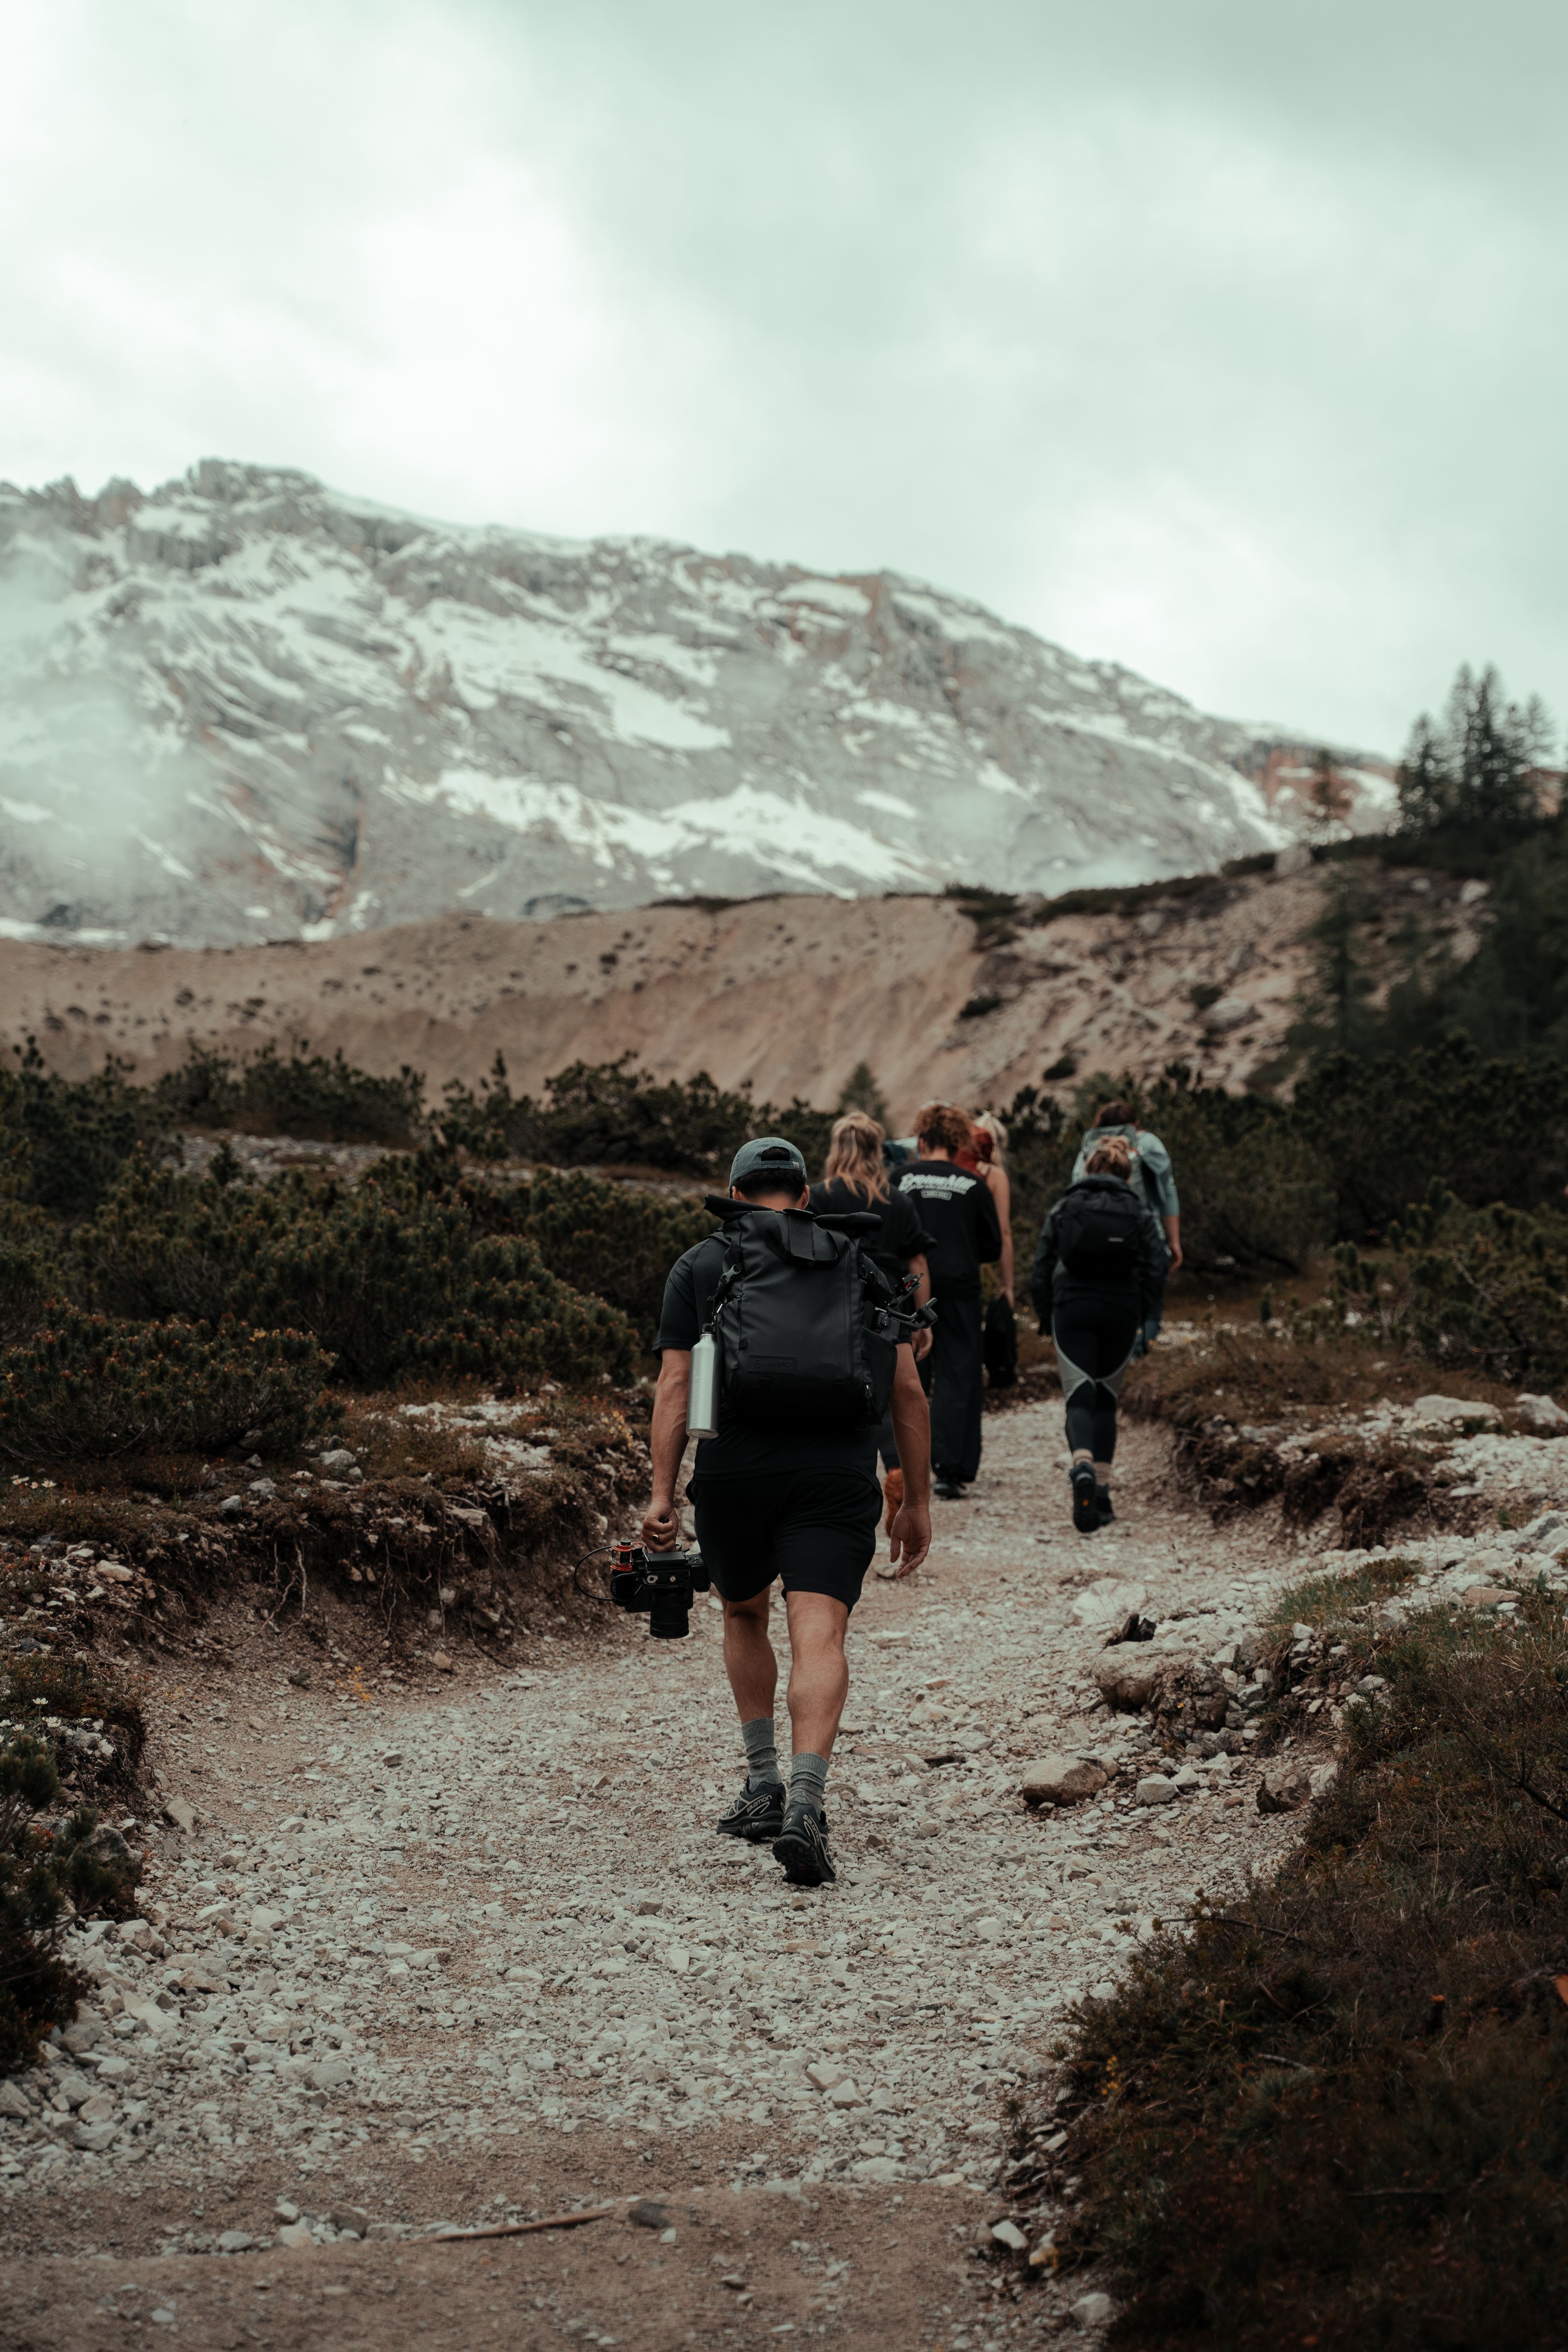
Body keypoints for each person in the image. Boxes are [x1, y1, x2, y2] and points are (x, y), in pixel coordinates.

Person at [644, 1134, 933, 1887]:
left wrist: (661, 1495)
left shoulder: (702, 1265)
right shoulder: (861, 1264)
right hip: (837, 1475)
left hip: (736, 1472)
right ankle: (808, 1802)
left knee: (745, 1614)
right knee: (821, 1631)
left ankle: (764, 1785)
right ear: (807, 1198)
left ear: (736, 1195)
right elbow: (907, 1393)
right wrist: (918, 1503)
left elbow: (676, 1389)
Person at [1031, 1133, 1167, 1534]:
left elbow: (1041, 1265)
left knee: (1079, 1396)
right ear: (1127, 1174)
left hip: (1072, 1306)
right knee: (1106, 1401)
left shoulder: (1066, 1206)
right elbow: (1156, 1266)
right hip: (1121, 1310)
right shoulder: (1138, 1210)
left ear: (1089, 1168)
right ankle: (1103, 1494)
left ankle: (1083, 1464)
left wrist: (1044, 1314)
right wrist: (1147, 1317)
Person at [809, 1111, 933, 1546]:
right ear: (876, 1149)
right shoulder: (897, 1200)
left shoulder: (821, 1196)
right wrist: (919, 1319)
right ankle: (897, 1467)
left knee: (840, 1393)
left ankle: (837, 1487)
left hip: (833, 1311)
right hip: (890, 1308)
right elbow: (917, 1260)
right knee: (893, 1393)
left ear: (837, 1148)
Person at [896, 1101, 1002, 1501]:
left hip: (906, 1291)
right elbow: (991, 1245)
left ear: (921, 1140)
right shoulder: (973, 1185)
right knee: (959, 1379)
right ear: (957, 1141)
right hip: (959, 1291)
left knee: (908, 1379)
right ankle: (950, 1470)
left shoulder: (899, 1179)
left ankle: (904, 1468)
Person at [1071, 1099, 1181, 1351]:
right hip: (1145, 1236)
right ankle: (1136, 1354)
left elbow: (1076, 1188)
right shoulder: (1148, 1142)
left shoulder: (1089, 1147)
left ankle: (1115, 1355)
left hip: (1096, 1242)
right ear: (1136, 1123)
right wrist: (1173, 1241)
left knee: (1110, 1301)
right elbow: (1169, 1190)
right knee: (1150, 1308)